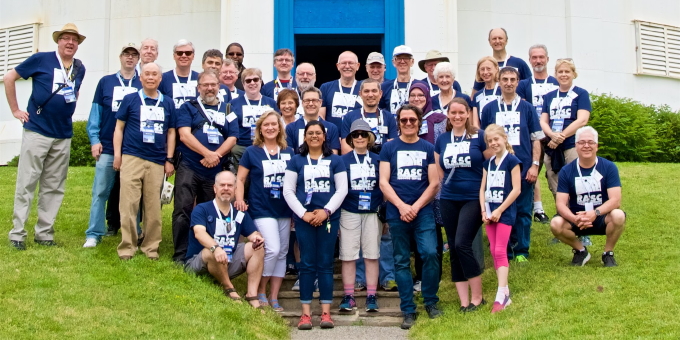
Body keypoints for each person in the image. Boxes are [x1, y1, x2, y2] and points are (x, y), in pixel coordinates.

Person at [5, 23, 87, 250]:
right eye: (66, 38)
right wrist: (15, 110)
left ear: (78, 45)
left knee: (54, 186)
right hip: (37, 131)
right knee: (27, 183)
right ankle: (17, 233)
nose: (70, 43)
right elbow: (10, 77)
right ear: (58, 41)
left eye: (74, 40)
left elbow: (75, 92)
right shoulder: (41, 59)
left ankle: (44, 233)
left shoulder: (80, 68)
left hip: (63, 134)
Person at [379, 104, 442, 329]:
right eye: (404, 120)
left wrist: (415, 206)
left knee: (430, 253)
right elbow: (384, 181)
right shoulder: (389, 148)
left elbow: (434, 183)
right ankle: (408, 309)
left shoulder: (428, 147)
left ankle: (431, 301)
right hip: (397, 212)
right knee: (401, 260)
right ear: (398, 123)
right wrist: (402, 206)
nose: (408, 124)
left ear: (419, 122)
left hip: (422, 211)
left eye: (412, 120)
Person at [283, 120, 348, 330]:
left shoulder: (335, 161)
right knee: (307, 264)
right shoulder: (296, 161)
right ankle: (306, 315)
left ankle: (326, 314)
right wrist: (303, 214)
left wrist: (326, 211)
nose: (314, 136)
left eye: (318, 133)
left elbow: (342, 190)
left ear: (324, 136)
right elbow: (288, 191)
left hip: (328, 218)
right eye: (310, 133)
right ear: (304, 137)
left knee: (326, 264)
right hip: (305, 219)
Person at [171, 70, 239, 263]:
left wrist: (215, 155)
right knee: (183, 210)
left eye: (213, 85)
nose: (210, 88)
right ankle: (180, 255)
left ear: (219, 87)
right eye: (205, 85)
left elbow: (233, 137)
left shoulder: (228, 109)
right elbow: (184, 135)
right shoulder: (188, 107)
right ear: (198, 87)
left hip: (215, 170)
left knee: (209, 214)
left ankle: (203, 254)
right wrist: (206, 153)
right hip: (190, 166)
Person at [481, 67, 544, 263]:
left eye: (512, 79)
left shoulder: (527, 108)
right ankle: (504, 250)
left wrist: (534, 165)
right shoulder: (489, 108)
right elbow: (486, 140)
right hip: (498, 168)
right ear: (498, 81)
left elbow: (536, 139)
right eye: (505, 79)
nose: (508, 83)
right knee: (501, 209)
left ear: (518, 82)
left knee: (523, 209)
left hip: (523, 167)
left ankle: (521, 250)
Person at [113, 62, 175, 260]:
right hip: (132, 157)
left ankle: (151, 248)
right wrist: (117, 155)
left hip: (157, 161)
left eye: (154, 74)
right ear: (141, 77)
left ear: (160, 79)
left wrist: (169, 159)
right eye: (147, 74)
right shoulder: (130, 99)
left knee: (153, 207)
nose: (150, 77)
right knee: (128, 205)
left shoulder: (168, 102)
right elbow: (119, 128)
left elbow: (171, 132)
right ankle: (127, 247)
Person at [235, 110, 295, 312]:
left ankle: (274, 296)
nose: (270, 128)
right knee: (273, 249)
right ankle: (260, 290)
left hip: (284, 209)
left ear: (280, 128)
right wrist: (239, 199)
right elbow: (240, 179)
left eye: (274, 124)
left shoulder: (289, 152)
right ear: (260, 129)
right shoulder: (252, 152)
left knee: (282, 253)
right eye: (266, 125)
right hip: (261, 208)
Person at [435, 97, 491, 312]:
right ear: (448, 115)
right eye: (453, 112)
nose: (457, 116)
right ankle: (464, 301)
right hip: (449, 198)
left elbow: (489, 164)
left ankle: (478, 297)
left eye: (461, 112)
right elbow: (440, 166)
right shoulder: (442, 139)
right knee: (455, 247)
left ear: (468, 113)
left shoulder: (479, 136)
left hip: (473, 198)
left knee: (461, 244)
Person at [84, 43, 141, 247]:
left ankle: (135, 232)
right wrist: (94, 140)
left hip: (134, 149)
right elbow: (95, 113)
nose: (130, 58)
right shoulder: (106, 82)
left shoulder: (143, 83)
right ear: (120, 57)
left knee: (134, 194)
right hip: (107, 147)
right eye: (127, 54)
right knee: (100, 191)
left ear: (138, 59)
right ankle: (94, 233)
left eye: (134, 55)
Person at [184, 171, 266, 308]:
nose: (226, 188)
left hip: (228, 260)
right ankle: (229, 289)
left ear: (235, 189)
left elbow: (253, 234)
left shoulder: (239, 213)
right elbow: (199, 233)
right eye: (222, 185)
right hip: (200, 263)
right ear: (215, 188)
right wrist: (216, 248)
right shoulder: (202, 209)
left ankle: (252, 295)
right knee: (210, 250)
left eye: (229, 185)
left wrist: (257, 238)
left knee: (257, 248)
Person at [550, 126, 625, 267]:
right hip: (577, 217)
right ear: (576, 146)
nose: (586, 146)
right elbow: (560, 204)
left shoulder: (609, 167)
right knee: (555, 224)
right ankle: (580, 250)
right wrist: (574, 218)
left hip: (601, 215)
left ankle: (608, 253)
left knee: (618, 215)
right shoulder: (567, 170)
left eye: (590, 142)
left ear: (596, 146)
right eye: (582, 142)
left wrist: (595, 213)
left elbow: (616, 200)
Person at [339, 120, 383, 313]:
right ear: (350, 138)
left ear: (369, 138)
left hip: (372, 212)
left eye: (363, 134)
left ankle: (371, 296)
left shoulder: (378, 160)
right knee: (348, 255)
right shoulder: (343, 160)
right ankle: (349, 296)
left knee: (372, 254)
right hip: (349, 211)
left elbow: (383, 186)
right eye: (355, 134)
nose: (359, 138)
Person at [479, 124, 522, 313]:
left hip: (504, 213)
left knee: (499, 249)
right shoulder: (488, 163)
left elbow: (516, 189)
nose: (494, 143)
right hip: (489, 212)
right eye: (490, 141)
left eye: (496, 139)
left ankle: (502, 292)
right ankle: (502, 288)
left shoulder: (512, 161)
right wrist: (484, 210)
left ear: (505, 138)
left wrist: (500, 210)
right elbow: (482, 188)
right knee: (495, 251)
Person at [516, 44, 559, 224]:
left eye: (541, 57)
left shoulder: (556, 82)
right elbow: (524, 109)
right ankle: (536, 209)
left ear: (547, 59)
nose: (538, 61)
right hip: (531, 136)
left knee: (554, 174)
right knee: (530, 171)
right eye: (534, 57)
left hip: (553, 136)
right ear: (529, 60)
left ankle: (562, 215)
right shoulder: (524, 84)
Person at [541, 58, 592, 197]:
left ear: (573, 74)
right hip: (552, 145)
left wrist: (559, 137)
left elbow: (582, 120)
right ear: (555, 74)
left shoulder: (581, 94)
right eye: (560, 72)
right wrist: (552, 135)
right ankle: (561, 211)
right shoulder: (549, 96)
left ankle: (576, 211)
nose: (563, 74)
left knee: (575, 177)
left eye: (567, 71)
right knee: (552, 177)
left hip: (572, 144)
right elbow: (543, 121)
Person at [229, 68, 278, 169]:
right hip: (242, 147)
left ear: (260, 81)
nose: (252, 83)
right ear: (243, 84)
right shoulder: (233, 104)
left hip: (265, 146)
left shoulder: (271, 103)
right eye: (248, 80)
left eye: (255, 80)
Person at [340, 79, 397, 154]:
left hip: (383, 161)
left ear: (380, 93)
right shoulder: (349, 117)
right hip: (358, 162)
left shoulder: (389, 117)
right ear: (360, 94)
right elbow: (345, 148)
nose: (370, 95)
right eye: (366, 91)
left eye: (374, 91)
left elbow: (393, 145)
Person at [471, 28, 531, 98]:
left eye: (500, 38)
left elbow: (529, 88)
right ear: (489, 42)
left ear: (506, 41)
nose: (497, 41)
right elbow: (475, 92)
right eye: (494, 38)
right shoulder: (485, 66)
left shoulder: (519, 63)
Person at [285, 87, 341, 154]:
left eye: (314, 100)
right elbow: (290, 155)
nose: (311, 104)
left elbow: (334, 156)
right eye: (307, 100)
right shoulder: (291, 128)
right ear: (302, 103)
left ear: (320, 103)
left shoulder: (332, 128)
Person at [319, 51, 363, 128]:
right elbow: (321, 116)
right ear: (338, 66)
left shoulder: (364, 88)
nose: (347, 66)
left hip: (358, 137)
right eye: (343, 63)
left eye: (351, 63)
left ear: (358, 66)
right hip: (332, 138)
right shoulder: (325, 87)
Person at [380, 45, 423, 116]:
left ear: (412, 62)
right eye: (399, 58)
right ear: (393, 62)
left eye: (406, 58)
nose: (402, 61)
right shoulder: (385, 87)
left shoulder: (421, 86)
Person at [159, 39, 199, 109]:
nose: (184, 56)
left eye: (188, 53)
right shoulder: (163, 78)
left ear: (193, 56)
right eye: (179, 53)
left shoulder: (200, 78)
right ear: (174, 56)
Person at [471, 56, 501, 128]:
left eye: (488, 69)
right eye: (482, 69)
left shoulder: (503, 91)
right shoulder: (477, 95)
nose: (485, 72)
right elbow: (476, 123)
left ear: (496, 69)